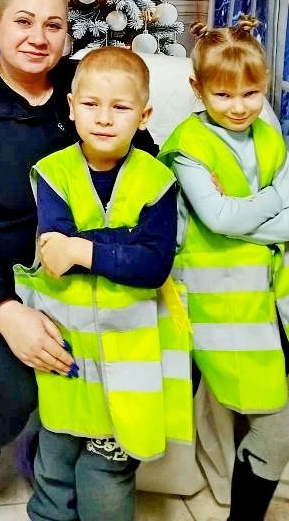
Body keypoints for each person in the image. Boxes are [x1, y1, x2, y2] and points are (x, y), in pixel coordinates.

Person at [0, 0, 158, 521]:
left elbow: (144, 161)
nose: (38, 38)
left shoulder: (87, 87)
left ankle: (52, 449)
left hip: (76, 273)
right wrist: (5, 311)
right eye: (23, 22)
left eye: (53, 25)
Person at [159, 17, 289, 521]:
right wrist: (272, 198)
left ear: (265, 84)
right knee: (277, 430)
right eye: (223, 94)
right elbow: (219, 218)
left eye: (251, 93)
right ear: (198, 89)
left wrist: (241, 216)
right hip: (216, 307)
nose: (239, 107)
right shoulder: (189, 145)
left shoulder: (267, 139)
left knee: (269, 428)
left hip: (264, 303)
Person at [15, 47, 190, 521]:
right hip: (68, 353)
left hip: (131, 356)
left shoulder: (158, 180)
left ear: (144, 116)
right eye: (91, 104)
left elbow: (153, 265)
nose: (105, 118)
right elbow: (56, 257)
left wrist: (84, 248)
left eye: (121, 107)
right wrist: (125, 244)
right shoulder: (54, 173)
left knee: (107, 475)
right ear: (72, 108)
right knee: (55, 461)